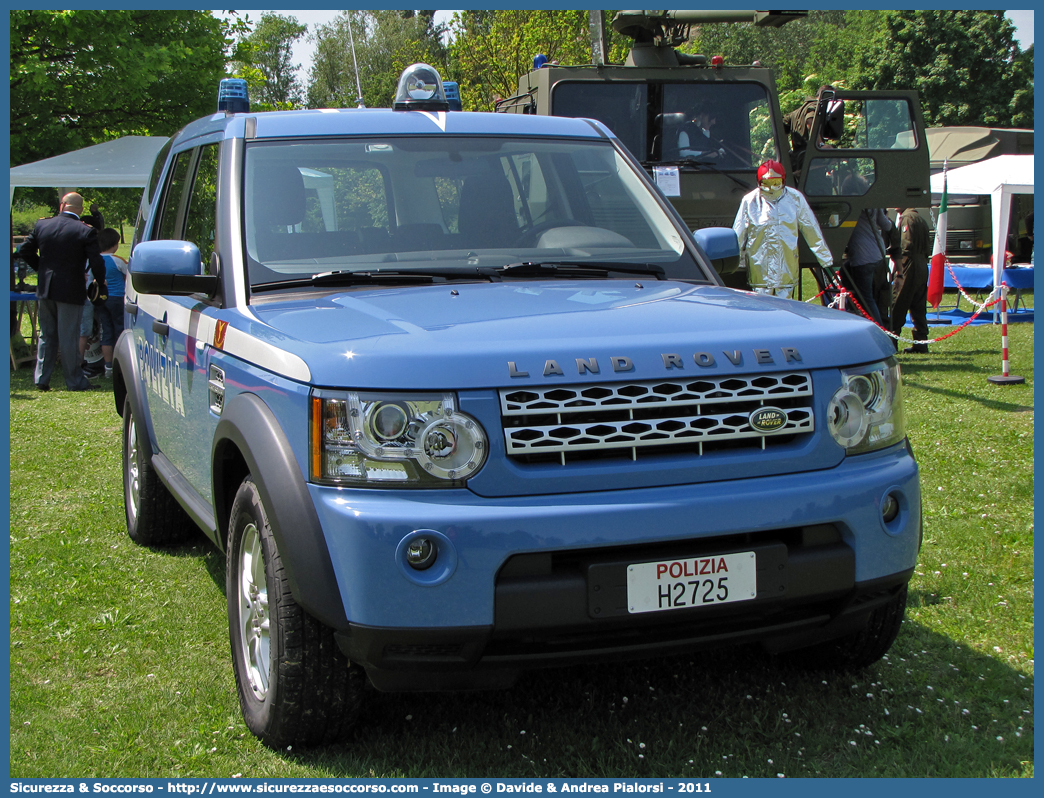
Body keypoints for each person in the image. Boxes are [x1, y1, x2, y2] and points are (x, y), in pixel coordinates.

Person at [18, 192, 105, 391]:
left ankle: (42, 378)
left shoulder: (43, 225)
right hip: (70, 289)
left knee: (46, 335)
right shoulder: (85, 230)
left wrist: (42, 268)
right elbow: (96, 261)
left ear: (61, 205)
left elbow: (24, 250)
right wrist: (100, 282)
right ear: (81, 210)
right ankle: (74, 380)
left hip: (46, 288)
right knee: (69, 337)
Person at [732, 160, 833, 299]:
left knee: (786, 306)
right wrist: (733, 259)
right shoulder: (750, 201)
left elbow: (810, 227)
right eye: (766, 183)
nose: (771, 188)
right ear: (759, 182)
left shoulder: (795, 198)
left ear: (783, 180)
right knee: (762, 305)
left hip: (787, 265)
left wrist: (824, 257)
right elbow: (739, 231)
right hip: (760, 266)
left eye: (775, 182)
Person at [839, 175, 892, 325]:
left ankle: (878, 328)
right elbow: (886, 225)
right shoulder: (872, 202)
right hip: (878, 252)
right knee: (845, 272)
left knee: (866, 297)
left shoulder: (850, 204)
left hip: (862, 256)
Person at [890, 206, 931, 354]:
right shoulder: (920, 218)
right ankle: (921, 341)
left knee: (899, 300)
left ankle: (892, 341)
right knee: (918, 305)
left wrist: (899, 270)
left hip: (910, 263)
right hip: (921, 263)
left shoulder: (907, 217)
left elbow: (905, 246)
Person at [92, 227, 128, 378]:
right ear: (114, 244)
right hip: (117, 298)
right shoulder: (118, 260)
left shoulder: (94, 260)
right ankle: (120, 365)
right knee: (120, 331)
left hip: (100, 299)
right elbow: (129, 275)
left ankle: (108, 368)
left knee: (106, 331)